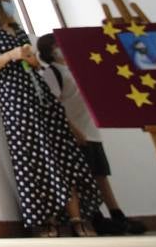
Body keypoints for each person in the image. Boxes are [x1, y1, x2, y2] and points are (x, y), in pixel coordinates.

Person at [0, 0, 99, 237]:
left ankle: (77, 217)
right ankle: (46, 219)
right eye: (4, 1)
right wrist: (10, 55)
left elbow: (35, 64)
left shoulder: (19, 31)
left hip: (39, 92)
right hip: (16, 98)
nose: (9, 5)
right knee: (34, 157)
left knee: (62, 152)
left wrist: (30, 59)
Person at [35, 33, 146, 236]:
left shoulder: (75, 69)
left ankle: (116, 213)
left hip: (92, 130)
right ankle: (93, 217)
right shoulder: (53, 73)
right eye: (57, 45)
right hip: (73, 132)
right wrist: (73, 130)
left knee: (101, 174)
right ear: (50, 49)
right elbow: (54, 105)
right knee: (81, 178)